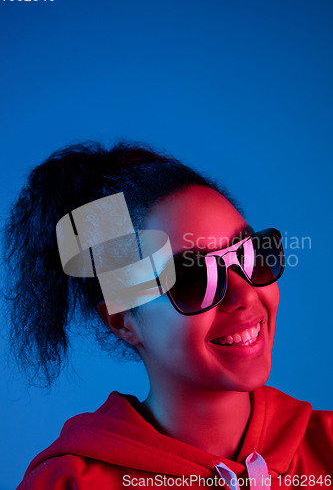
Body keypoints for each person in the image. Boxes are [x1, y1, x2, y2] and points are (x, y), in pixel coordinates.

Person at [3, 142, 332, 489]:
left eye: (250, 254)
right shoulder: (66, 484)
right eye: (193, 278)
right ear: (123, 320)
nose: (245, 295)